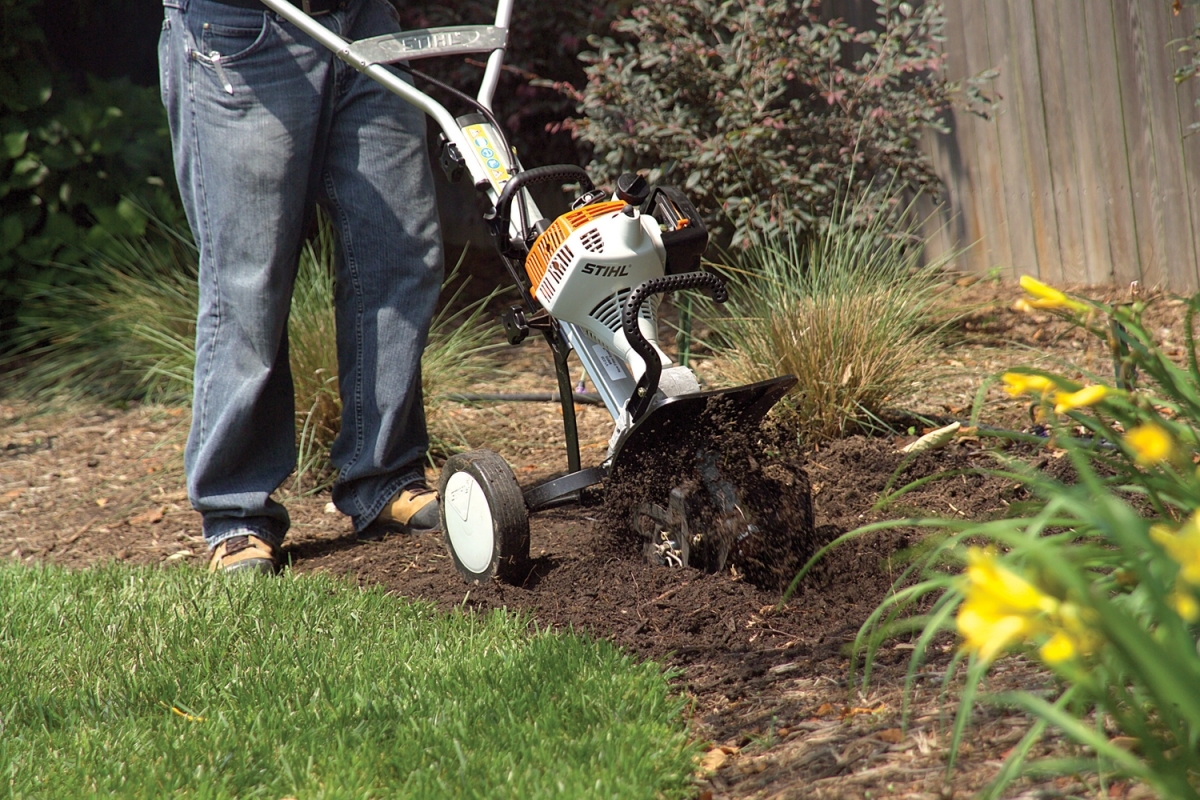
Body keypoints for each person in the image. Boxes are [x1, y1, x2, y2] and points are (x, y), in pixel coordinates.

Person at [158, 0, 444, 574]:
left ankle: (384, 475)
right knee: (249, 282)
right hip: (239, 30)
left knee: (400, 254)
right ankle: (236, 511)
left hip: (364, 21)